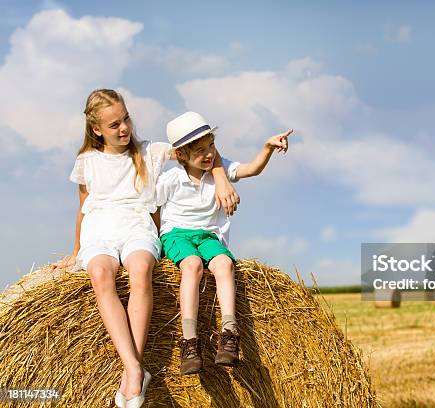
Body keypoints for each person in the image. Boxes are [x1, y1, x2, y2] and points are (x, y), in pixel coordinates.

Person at [50, 90, 239, 408]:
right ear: (96, 129)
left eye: (126, 119)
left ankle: (132, 376)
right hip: (100, 230)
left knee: (140, 270)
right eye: (114, 125)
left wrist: (221, 180)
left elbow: (201, 147)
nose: (124, 128)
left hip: (137, 226)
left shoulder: (150, 152)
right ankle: (134, 367)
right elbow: (83, 209)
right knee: (100, 274)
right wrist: (75, 251)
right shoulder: (86, 162)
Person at [155, 111, 291, 374]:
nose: (208, 155)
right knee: (192, 265)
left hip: (209, 236)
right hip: (176, 234)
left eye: (211, 147)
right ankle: (189, 339)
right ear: (181, 155)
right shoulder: (171, 179)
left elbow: (251, 169)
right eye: (199, 151)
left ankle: (229, 334)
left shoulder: (220, 170)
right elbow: (150, 206)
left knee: (225, 264)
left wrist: (267, 148)